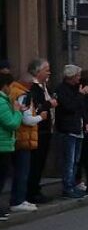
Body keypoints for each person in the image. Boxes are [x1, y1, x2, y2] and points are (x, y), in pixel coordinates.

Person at [6, 70, 43, 214]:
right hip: (24, 137)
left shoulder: (13, 91)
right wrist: (41, 117)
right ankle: (18, 200)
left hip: (17, 137)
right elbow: (26, 119)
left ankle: (20, 198)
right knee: (22, 171)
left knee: (20, 170)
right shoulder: (23, 95)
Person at [53, 64, 88, 199]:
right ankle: (67, 187)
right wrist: (80, 95)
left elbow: (80, 108)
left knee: (75, 160)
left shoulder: (75, 89)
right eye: (77, 76)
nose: (79, 79)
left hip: (77, 128)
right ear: (71, 77)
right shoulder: (62, 90)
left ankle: (73, 184)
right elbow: (70, 107)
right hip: (68, 129)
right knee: (69, 160)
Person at [25, 57, 55, 205]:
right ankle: (31, 192)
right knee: (35, 163)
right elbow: (36, 106)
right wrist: (49, 104)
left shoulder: (44, 87)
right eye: (46, 69)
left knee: (40, 162)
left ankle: (36, 189)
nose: (49, 72)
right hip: (38, 129)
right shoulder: (33, 87)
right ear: (37, 71)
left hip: (46, 129)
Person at [0, 73, 23, 221]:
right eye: (11, 86)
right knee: (1, 177)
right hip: (2, 145)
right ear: (5, 86)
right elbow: (11, 123)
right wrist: (17, 111)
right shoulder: (2, 102)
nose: (12, 89)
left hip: (4, 144)